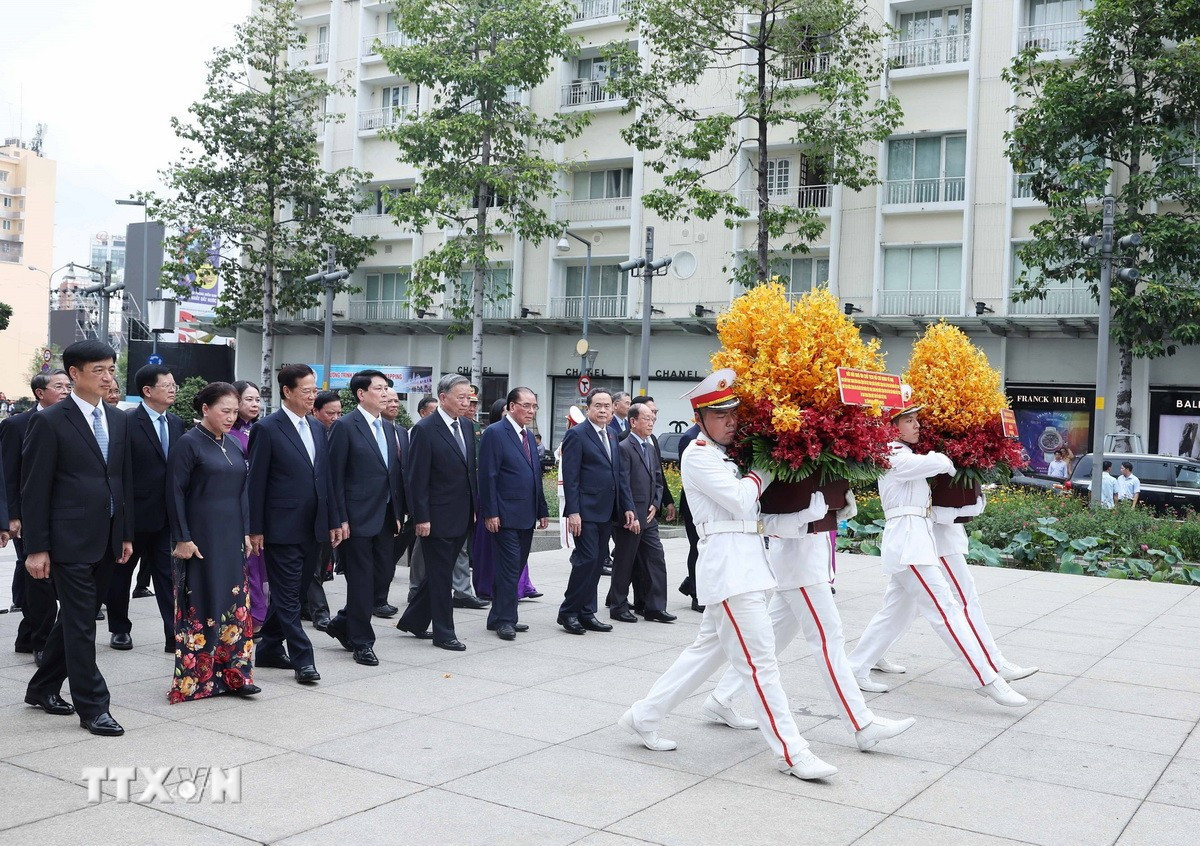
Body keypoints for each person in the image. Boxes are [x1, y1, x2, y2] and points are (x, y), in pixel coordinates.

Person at [619, 369, 838, 780]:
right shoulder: (699, 454)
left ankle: (643, 716)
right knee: (761, 664)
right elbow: (741, 501)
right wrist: (768, 467)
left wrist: (810, 513)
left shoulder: (726, 457)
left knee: (704, 654)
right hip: (730, 571)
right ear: (700, 419)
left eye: (734, 413)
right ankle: (793, 752)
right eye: (721, 415)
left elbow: (754, 517)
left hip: (744, 568)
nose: (731, 421)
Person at [847, 395, 1028, 707]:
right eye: (909, 420)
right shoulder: (891, 452)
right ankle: (986, 678)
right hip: (909, 544)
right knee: (946, 611)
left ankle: (855, 667)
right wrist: (944, 458)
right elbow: (938, 463)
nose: (917, 425)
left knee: (895, 613)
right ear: (891, 426)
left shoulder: (902, 452)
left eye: (916, 419)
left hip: (914, 542)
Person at [22, 340, 134, 737]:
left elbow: (121, 481)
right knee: (84, 624)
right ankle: (93, 707)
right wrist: (36, 547)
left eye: (110, 369)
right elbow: (34, 489)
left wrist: (124, 532)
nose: (108, 377)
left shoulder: (119, 420)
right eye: (98, 370)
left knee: (76, 619)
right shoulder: (51, 420)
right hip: (67, 540)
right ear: (74, 374)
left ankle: (41, 687)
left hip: (107, 537)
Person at [247, 364, 342, 685]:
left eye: (315, 391)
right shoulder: (268, 429)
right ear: (287, 392)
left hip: (313, 527)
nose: (312, 396)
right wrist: (255, 528)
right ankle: (304, 657)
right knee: (288, 597)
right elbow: (256, 483)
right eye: (307, 391)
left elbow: (325, 478)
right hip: (280, 527)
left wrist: (333, 520)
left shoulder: (316, 427)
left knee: (295, 593)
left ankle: (270, 648)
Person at [168, 383, 259, 701]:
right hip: (200, 539)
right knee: (203, 605)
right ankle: (198, 679)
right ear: (205, 409)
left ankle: (236, 675)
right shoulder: (188, 444)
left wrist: (246, 532)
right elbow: (174, 492)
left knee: (234, 606)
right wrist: (183, 537)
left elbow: (242, 494)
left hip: (231, 537)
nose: (232, 417)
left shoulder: (234, 446)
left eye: (235, 411)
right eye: (226, 410)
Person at [325, 370, 406, 666]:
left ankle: (342, 622)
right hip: (355, 519)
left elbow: (393, 474)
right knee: (360, 581)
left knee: (380, 579)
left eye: (387, 389)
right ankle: (362, 642)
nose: (386, 394)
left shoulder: (388, 427)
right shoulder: (345, 426)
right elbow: (333, 478)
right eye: (379, 389)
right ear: (361, 394)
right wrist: (340, 518)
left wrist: (398, 512)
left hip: (385, 516)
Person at [103, 365, 182, 654]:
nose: (173, 389)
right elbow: (118, 472)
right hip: (132, 517)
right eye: (167, 385)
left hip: (164, 517)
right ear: (147, 391)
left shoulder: (175, 423)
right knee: (121, 575)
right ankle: (120, 629)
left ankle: (173, 634)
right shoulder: (125, 422)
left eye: (175, 384)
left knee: (167, 575)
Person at [396, 374, 477, 651]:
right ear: (443, 398)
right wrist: (421, 517)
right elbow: (416, 479)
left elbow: (469, 473)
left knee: (439, 574)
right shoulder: (425, 429)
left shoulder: (466, 426)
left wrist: (475, 508)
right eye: (461, 397)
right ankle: (444, 632)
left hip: (462, 514)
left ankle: (414, 620)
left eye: (469, 397)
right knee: (442, 578)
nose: (467, 402)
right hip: (436, 517)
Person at [4, 370, 70, 663]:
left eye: (69, 385)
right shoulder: (17, 424)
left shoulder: (72, 421)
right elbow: (8, 475)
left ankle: (26, 635)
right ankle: (41, 642)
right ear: (40, 393)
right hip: (28, 515)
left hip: (65, 515)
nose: (66, 391)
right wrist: (11, 515)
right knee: (39, 577)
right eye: (59, 386)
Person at [559, 388, 638, 635]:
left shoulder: (613, 434)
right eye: (598, 406)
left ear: (613, 409)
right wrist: (573, 512)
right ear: (588, 408)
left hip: (608, 512)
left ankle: (586, 612)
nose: (603, 410)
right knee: (586, 561)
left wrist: (627, 507)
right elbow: (570, 477)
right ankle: (568, 612)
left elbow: (619, 476)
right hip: (585, 512)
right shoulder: (577, 435)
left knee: (597, 564)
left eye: (606, 406)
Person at [478, 387, 549, 640]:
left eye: (534, 407)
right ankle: (506, 620)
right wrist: (490, 512)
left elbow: (534, 477)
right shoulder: (495, 433)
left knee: (515, 568)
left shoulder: (528, 436)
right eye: (526, 405)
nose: (531, 411)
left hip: (526, 515)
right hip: (504, 515)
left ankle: (497, 615)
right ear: (510, 406)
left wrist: (542, 509)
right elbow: (488, 476)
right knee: (508, 568)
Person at [607, 402, 675, 624]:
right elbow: (622, 483)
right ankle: (618, 605)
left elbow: (657, 478)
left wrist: (656, 503)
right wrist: (630, 512)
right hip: (631, 517)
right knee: (624, 562)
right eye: (646, 418)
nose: (651, 422)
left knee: (656, 560)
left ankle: (655, 607)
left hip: (649, 515)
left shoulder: (650, 445)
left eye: (653, 418)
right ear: (633, 421)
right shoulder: (624, 447)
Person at [302, 389, 343, 630]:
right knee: (314, 564)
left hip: (330, 509)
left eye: (339, 412)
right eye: (330, 413)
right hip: (306, 510)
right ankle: (320, 612)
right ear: (315, 412)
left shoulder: (339, 433)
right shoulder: (309, 433)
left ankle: (305, 605)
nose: (335, 417)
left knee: (322, 562)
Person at [229, 381, 268, 628]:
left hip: (260, 502)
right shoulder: (228, 434)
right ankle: (254, 614)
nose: (255, 404)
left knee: (260, 561)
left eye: (257, 399)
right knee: (248, 562)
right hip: (236, 503)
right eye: (249, 400)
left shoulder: (261, 429)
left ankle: (262, 610)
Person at [450, 390, 489, 610]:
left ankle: (463, 592)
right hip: (441, 500)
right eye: (465, 401)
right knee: (424, 551)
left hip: (469, 493)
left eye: (473, 403)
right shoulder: (431, 427)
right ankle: (417, 588)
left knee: (462, 546)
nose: (469, 406)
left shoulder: (473, 428)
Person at [376, 387, 410, 617]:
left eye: (396, 401)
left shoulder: (403, 432)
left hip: (399, 504)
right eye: (388, 400)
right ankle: (374, 599)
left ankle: (380, 597)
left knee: (388, 556)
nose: (393, 405)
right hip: (375, 504)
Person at [675, 422, 703, 612]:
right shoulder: (689, 437)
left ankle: (691, 584)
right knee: (697, 547)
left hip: (709, 503)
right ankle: (696, 594)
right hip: (694, 503)